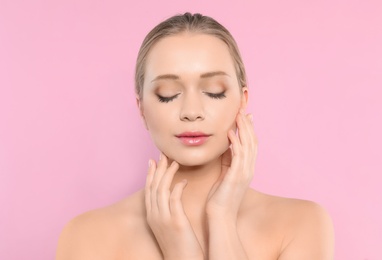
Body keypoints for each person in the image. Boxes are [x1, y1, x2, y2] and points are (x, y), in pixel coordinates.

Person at [56, 12, 334, 259]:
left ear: (242, 100)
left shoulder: (302, 224)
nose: (191, 111)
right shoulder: (87, 237)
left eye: (214, 91)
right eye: (168, 95)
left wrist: (221, 218)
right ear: (141, 109)